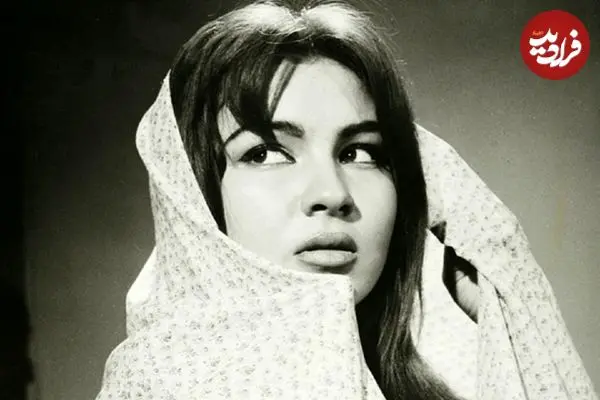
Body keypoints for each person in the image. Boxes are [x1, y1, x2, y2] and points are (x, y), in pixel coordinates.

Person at [96, 1, 596, 399]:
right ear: (191, 196)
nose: (332, 194)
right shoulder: (159, 386)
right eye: (265, 153)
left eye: (360, 152)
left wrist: (508, 290)